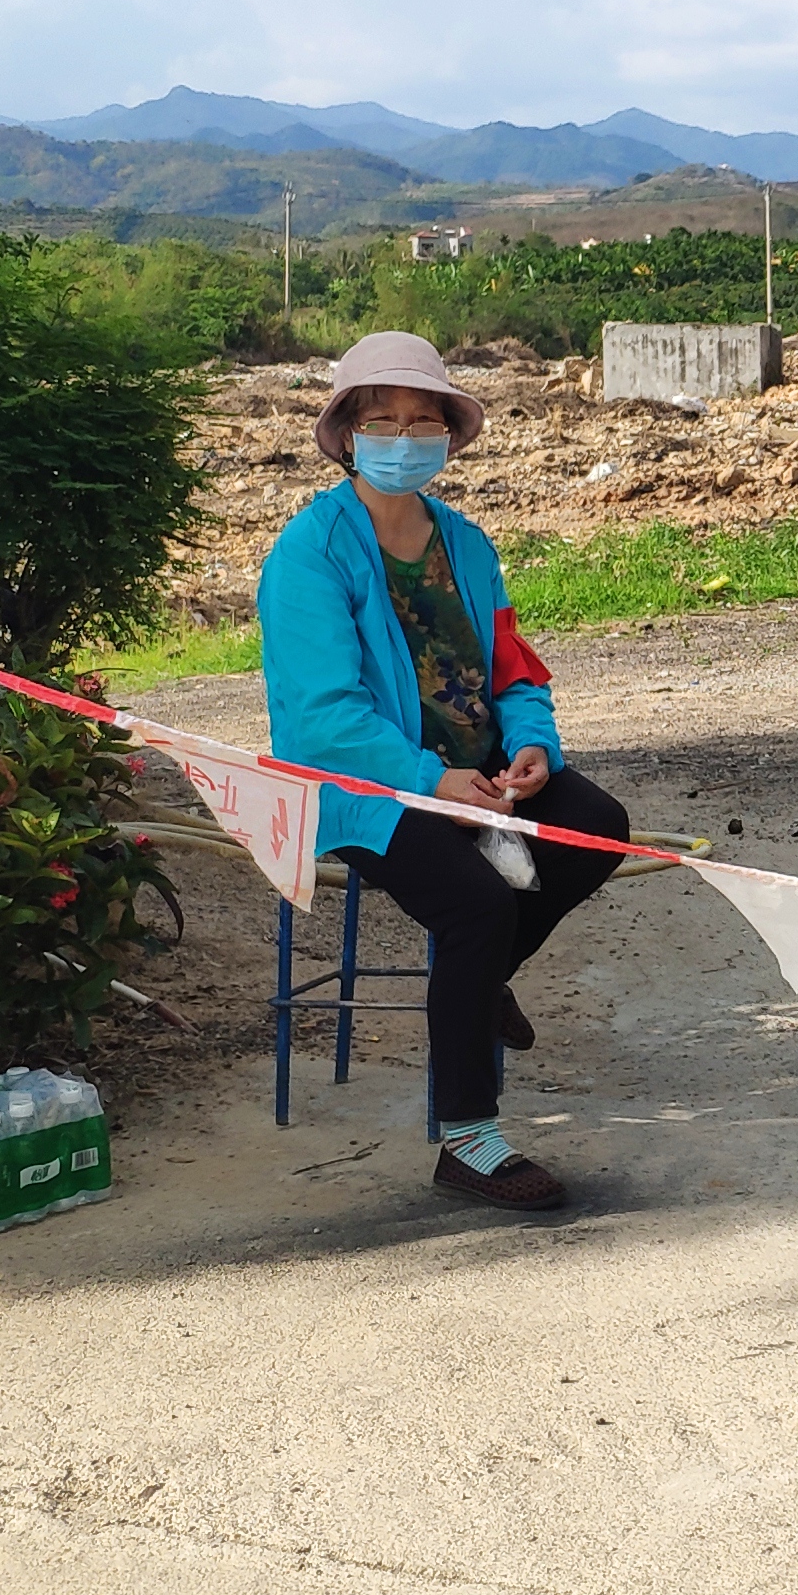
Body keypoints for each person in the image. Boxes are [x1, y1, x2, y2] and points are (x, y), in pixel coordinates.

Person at [257, 330, 631, 1211]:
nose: (401, 435)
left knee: (597, 825)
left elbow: (514, 670)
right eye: (380, 419)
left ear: (449, 438)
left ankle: (482, 979)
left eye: (422, 420)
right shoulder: (309, 554)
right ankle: (468, 1136)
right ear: (346, 433)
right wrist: (431, 781)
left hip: (476, 764)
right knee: (477, 903)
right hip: (367, 788)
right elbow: (322, 719)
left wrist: (532, 747)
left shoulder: (466, 545)